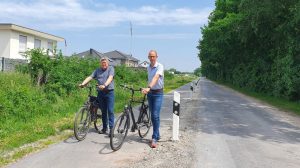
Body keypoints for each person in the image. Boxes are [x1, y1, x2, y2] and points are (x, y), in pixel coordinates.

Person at [79, 57, 115, 135]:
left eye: (105, 63)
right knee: (103, 111)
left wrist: (104, 85)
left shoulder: (111, 68)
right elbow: (90, 77)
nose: (103, 64)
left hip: (109, 92)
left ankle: (111, 129)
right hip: (101, 93)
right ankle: (105, 128)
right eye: (102, 63)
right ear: (100, 64)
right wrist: (83, 83)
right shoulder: (97, 70)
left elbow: (110, 77)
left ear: (107, 63)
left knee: (110, 111)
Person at [142, 50, 164, 148]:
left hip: (158, 93)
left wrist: (149, 87)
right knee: (153, 116)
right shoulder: (148, 68)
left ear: (156, 57)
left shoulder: (160, 66)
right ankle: (157, 134)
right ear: (148, 57)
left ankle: (154, 138)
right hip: (150, 93)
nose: (152, 58)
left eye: (153, 56)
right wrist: (146, 89)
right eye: (150, 56)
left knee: (155, 115)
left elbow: (156, 77)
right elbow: (150, 80)